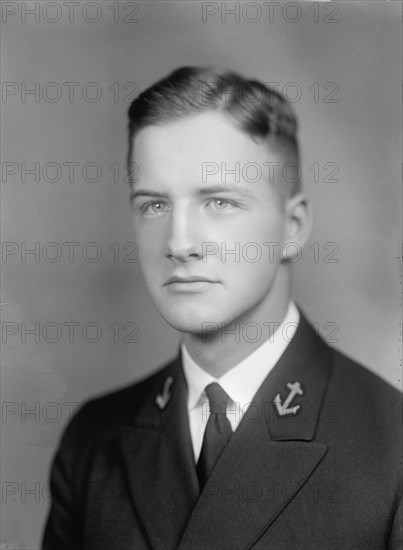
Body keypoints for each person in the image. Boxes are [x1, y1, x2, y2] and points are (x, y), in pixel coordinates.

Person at [42, 66, 402, 550]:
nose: (180, 241)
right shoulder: (93, 438)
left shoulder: (392, 445)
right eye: (154, 205)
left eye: (219, 202)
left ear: (292, 227)